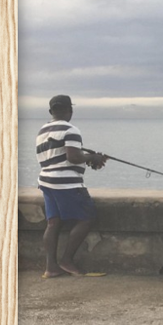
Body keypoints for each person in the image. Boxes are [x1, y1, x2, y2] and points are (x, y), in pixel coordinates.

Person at [36, 95, 108, 277]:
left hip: (46, 181)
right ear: (70, 111)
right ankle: (67, 260)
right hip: (66, 184)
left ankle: (50, 267)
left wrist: (86, 157)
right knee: (87, 217)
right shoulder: (71, 130)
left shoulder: (42, 131)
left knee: (53, 223)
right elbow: (73, 157)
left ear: (51, 111)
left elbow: (59, 156)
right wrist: (92, 158)